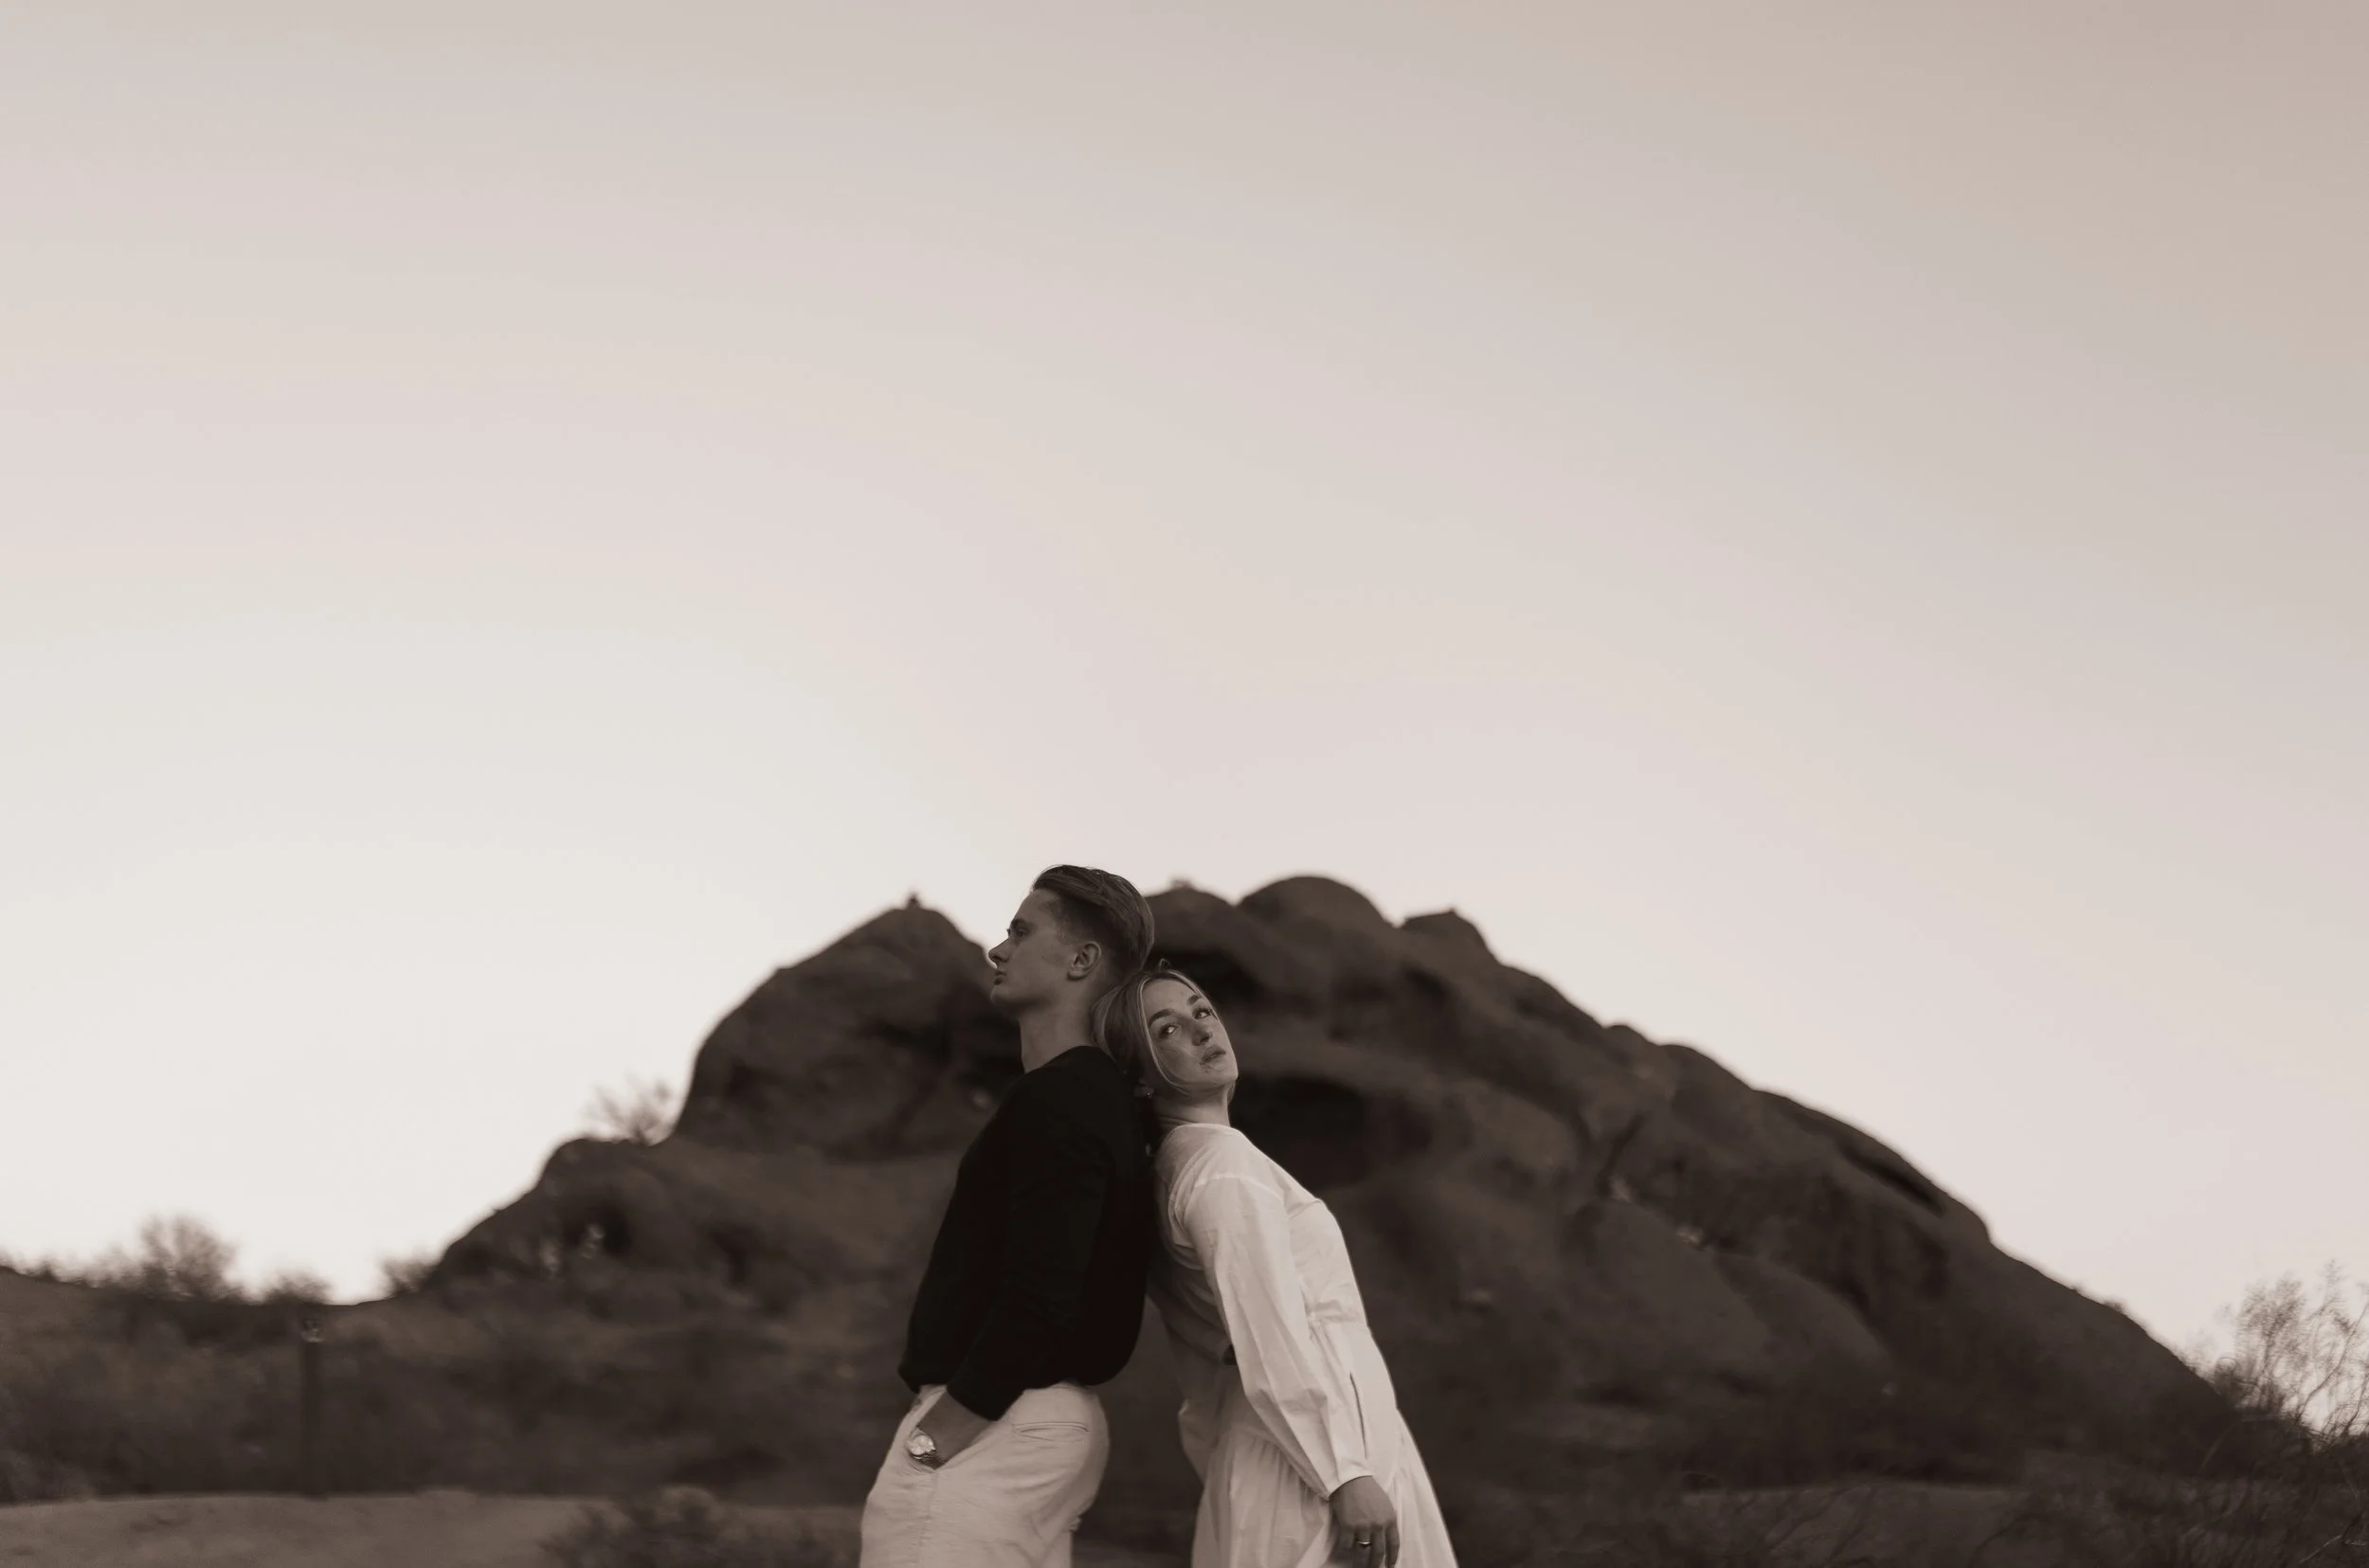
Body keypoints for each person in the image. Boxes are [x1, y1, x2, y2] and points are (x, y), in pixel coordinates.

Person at [1099, 963, 1458, 1568]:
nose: (1200, 1031)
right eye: (1166, 1031)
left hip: (1283, 1445)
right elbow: (1271, 1331)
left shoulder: (1171, 1172)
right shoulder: (1223, 1167)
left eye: (1202, 1012)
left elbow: (1210, 1362)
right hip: (1320, 1457)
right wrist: (1343, 1474)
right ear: (1138, 1079)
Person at [859, 866, 1158, 1568]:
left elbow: (1041, 1295)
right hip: (1035, 1424)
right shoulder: (1102, 1098)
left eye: (1020, 932)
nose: (998, 949)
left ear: (1082, 960)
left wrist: (938, 1435)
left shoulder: (1064, 1098)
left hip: (1001, 1425)